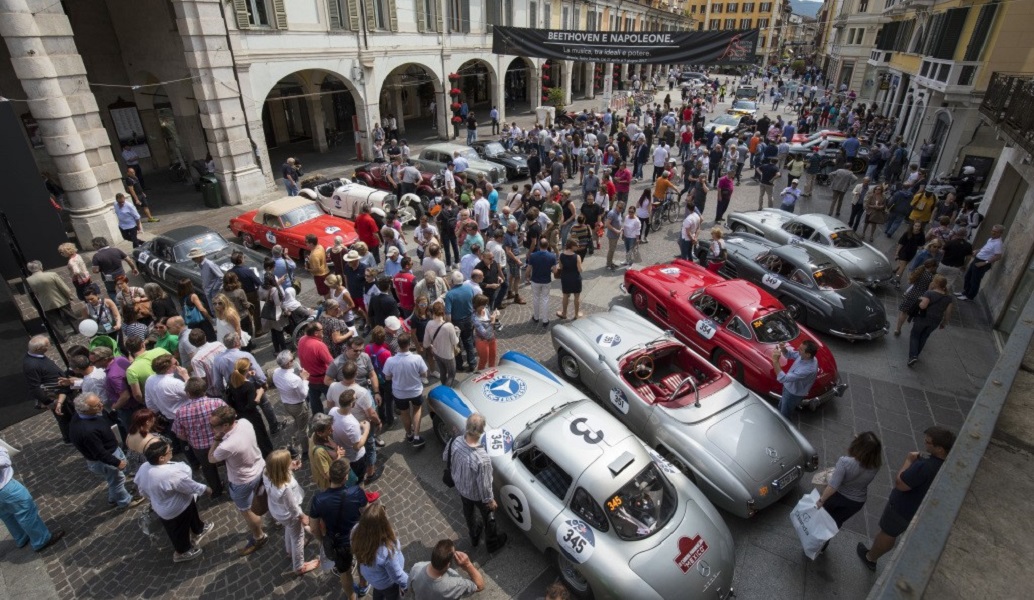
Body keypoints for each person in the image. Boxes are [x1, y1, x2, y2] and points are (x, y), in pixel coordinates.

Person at [857, 427, 956, 571]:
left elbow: (901, 484)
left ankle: (870, 557)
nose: (925, 444)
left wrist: (908, 461)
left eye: (928, 442)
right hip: (919, 509)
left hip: (902, 508)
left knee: (888, 533)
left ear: (940, 449)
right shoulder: (947, 464)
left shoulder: (925, 466)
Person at [135, 439, 213, 563]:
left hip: (167, 504)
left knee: (192, 514)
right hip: (174, 509)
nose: (171, 451)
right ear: (161, 458)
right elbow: (189, 486)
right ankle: (182, 552)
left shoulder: (144, 467)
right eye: (169, 451)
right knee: (178, 531)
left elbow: (141, 489)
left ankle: (199, 529)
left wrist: (152, 498)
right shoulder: (170, 473)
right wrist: (206, 489)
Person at [69, 393, 146, 510]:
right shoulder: (87, 431)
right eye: (96, 405)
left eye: (100, 402)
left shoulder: (85, 415)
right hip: (106, 459)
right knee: (118, 480)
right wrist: (117, 462)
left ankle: (113, 498)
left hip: (110, 451)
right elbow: (100, 453)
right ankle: (125, 501)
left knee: (114, 480)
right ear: (86, 410)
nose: (101, 405)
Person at [209, 405, 268, 556]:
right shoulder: (244, 422)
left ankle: (259, 536)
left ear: (226, 425)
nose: (211, 429)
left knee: (247, 511)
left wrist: (216, 439)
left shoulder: (226, 445)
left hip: (242, 481)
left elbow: (211, 458)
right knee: (266, 496)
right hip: (260, 468)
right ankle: (277, 520)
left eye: (213, 426)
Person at [445, 414, 508, 552]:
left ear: (467, 426)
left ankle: (474, 535)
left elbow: (446, 457)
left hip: (462, 488)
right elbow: (484, 486)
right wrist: (490, 501)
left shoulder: (455, 441)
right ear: (481, 431)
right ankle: (492, 543)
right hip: (477, 494)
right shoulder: (482, 458)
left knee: (468, 512)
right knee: (488, 516)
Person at [309, 459, 370, 598]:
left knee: (345, 572)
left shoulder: (318, 500)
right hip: (357, 537)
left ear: (330, 476)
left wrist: (323, 540)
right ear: (345, 477)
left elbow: (313, 527)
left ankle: (351, 597)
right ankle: (363, 585)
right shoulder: (356, 492)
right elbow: (367, 514)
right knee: (362, 561)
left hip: (338, 543)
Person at [815, 432, 882, 552]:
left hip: (837, 497)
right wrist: (864, 445)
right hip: (856, 502)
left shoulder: (844, 462)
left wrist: (821, 500)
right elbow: (862, 463)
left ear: (858, 447)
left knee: (823, 519)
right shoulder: (876, 465)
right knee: (835, 523)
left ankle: (813, 541)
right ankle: (823, 544)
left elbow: (833, 486)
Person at [264, 448, 321, 575]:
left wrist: (291, 468)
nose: (292, 461)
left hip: (277, 512)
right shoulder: (285, 488)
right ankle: (299, 566)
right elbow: (292, 507)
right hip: (289, 515)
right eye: (288, 461)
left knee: (289, 529)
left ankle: (289, 551)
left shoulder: (268, 472)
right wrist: (302, 516)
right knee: (298, 537)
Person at [0, 444, 65, 552]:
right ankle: (41, 540)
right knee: (26, 510)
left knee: (6, 514)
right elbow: (4, 462)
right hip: (5, 487)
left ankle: (21, 537)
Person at [173, 377, 227, 498]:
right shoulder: (218, 403)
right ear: (205, 389)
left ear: (188, 393)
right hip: (221, 441)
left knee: (208, 469)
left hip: (199, 447)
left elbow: (179, 434)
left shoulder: (181, 412)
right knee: (229, 462)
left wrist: (191, 439)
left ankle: (216, 490)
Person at [353, 503, 408, 600]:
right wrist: (408, 585)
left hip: (373, 578)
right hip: (387, 583)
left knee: (378, 593)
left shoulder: (355, 532)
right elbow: (397, 575)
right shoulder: (387, 550)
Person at [382, 333, 427, 448]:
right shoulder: (417, 358)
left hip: (399, 392)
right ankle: (417, 436)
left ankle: (409, 434)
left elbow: (387, 377)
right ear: (409, 343)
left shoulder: (390, 361)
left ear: (398, 344)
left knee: (404, 413)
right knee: (417, 410)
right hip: (415, 391)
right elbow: (424, 374)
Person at [226, 357, 275, 458]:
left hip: (239, 414)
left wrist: (247, 375)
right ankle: (269, 456)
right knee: (261, 436)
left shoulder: (232, 379)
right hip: (251, 416)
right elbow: (252, 405)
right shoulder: (248, 385)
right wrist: (259, 393)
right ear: (247, 369)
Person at [409, 539, 486, 597]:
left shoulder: (417, 567)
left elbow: (410, 587)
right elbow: (480, 586)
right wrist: (468, 564)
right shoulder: (455, 584)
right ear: (448, 564)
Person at [25, 260, 77, 343]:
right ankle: (78, 329)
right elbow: (63, 287)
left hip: (45, 304)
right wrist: (69, 296)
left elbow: (30, 297)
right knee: (71, 316)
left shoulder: (27, 281)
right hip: (61, 300)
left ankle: (63, 338)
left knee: (55, 322)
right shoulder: (52, 275)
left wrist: (37, 307)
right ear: (41, 266)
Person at [907, 275, 954, 366]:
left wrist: (920, 299)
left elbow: (923, 306)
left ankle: (913, 356)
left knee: (915, 335)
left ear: (935, 284)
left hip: (923, 318)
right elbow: (948, 313)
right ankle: (916, 354)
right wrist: (944, 322)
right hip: (936, 320)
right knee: (924, 336)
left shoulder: (929, 293)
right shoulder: (949, 298)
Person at [770, 341, 818, 420]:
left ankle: (783, 427)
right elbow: (791, 354)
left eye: (801, 349)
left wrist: (775, 361)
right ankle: (779, 417)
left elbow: (783, 378)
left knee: (785, 415)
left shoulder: (808, 369)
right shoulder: (806, 356)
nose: (798, 349)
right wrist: (784, 349)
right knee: (782, 405)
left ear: (808, 354)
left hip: (793, 394)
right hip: (789, 388)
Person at [958, 224, 1005, 301]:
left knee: (975, 280)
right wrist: (977, 251)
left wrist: (985, 263)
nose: (993, 232)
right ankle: (965, 292)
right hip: (977, 259)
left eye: (995, 232)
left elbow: (998, 256)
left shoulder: (998, 243)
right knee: (968, 276)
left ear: (1000, 233)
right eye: (992, 230)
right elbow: (985, 248)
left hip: (983, 262)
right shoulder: (991, 239)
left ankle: (970, 296)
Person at [298, 322, 333, 416]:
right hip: (322, 379)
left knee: (314, 401)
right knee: (332, 399)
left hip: (309, 378)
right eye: (322, 330)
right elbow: (331, 363)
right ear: (316, 333)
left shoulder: (302, 339)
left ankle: (319, 420)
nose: (323, 332)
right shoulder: (319, 345)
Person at [525, 238, 556, 327]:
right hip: (546, 281)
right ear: (547, 245)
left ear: (539, 245)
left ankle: (536, 317)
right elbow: (555, 270)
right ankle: (545, 320)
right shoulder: (552, 256)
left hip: (535, 280)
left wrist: (527, 276)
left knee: (536, 298)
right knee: (545, 299)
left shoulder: (533, 256)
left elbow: (528, 269)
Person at [555, 239, 584, 320]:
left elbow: (561, 267)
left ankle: (564, 314)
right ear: (571, 246)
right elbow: (580, 270)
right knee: (577, 297)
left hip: (565, 278)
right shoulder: (577, 256)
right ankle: (576, 314)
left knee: (565, 296)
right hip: (575, 278)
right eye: (576, 245)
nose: (577, 247)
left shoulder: (561, 255)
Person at [472, 295, 499, 371]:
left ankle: (492, 372)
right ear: (477, 305)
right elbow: (484, 333)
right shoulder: (475, 318)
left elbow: (490, 318)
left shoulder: (486, 309)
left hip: (492, 338)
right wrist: (493, 321)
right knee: (483, 360)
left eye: (486, 304)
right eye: (483, 304)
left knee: (493, 357)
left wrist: (494, 315)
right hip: (482, 341)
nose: (485, 306)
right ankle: (479, 375)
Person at [604, 201, 624, 270]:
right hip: (612, 235)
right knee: (611, 250)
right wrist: (616, 231)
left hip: (616, 235)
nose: (621, 209)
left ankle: (610, 262)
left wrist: (621, 229)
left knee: (613, 249)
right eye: (619, 207)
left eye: (622, 208)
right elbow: (607, 224)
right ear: (616, 206)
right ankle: (608, 264)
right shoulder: (612, 213)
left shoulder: (619, 212)